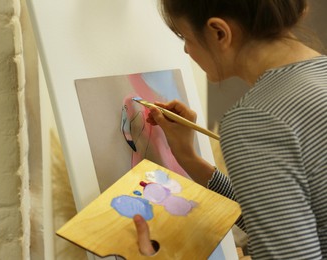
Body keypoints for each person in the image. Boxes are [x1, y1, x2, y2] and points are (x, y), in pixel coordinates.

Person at [133, 0, 327, 259]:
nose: (187, 50)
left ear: (218, 32)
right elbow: (285, 216)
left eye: (185, 37)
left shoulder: (258, 119)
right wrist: (189, 158)